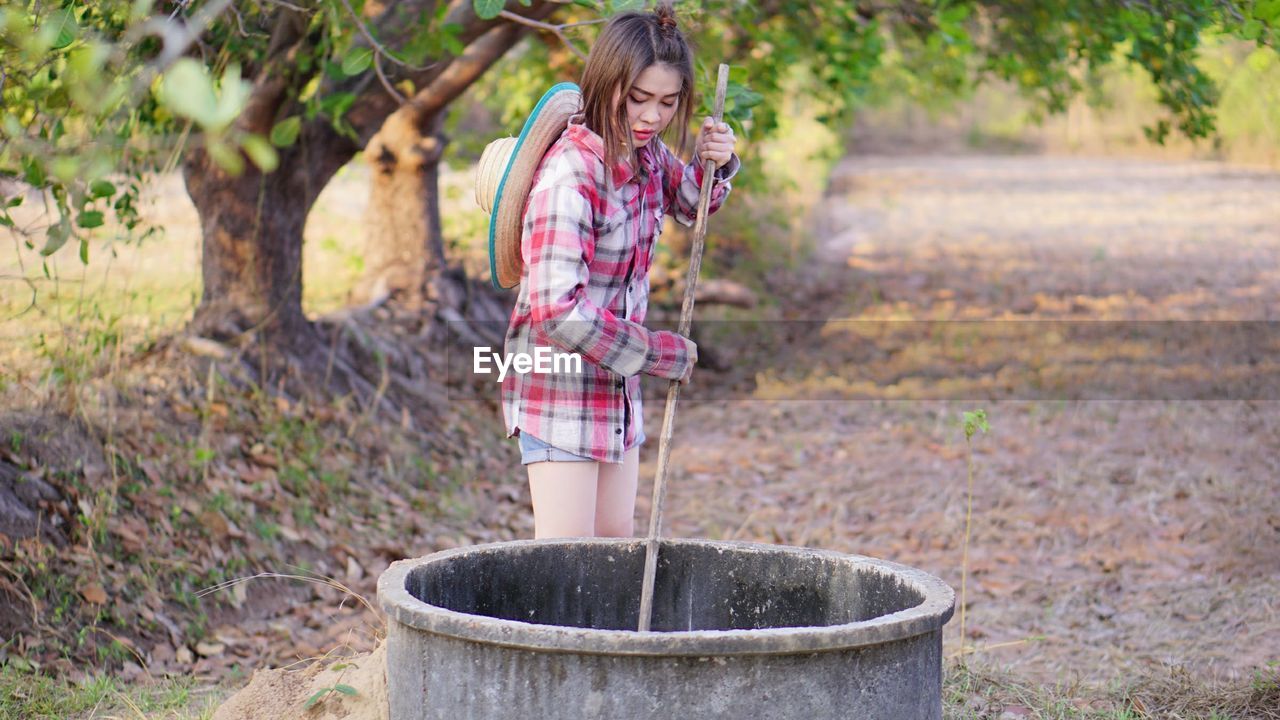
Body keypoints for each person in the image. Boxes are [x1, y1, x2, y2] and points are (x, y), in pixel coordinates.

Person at [488, 3, 739, 539]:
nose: (651, 117)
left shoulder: (646, 159)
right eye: (638, 99)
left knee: (614, 557)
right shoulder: (570, 178)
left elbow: (690, 201)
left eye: (668, 103)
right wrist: (657, 353)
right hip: (560, 391)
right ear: (607, 86)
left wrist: (713, 159)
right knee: (568, 566)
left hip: (615, 389)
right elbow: (557, 312)